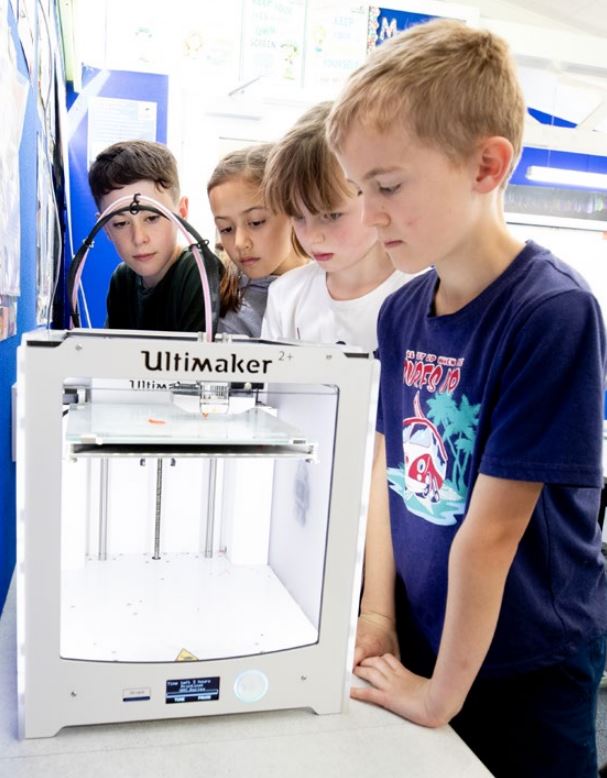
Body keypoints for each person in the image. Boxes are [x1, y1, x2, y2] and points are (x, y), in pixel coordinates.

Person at [326, 19, 607, 778]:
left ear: (485, 166)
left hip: (525, 660)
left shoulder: (550, 312)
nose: (368, 213)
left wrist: (437, 698)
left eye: (386, 186)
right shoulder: (400, 310)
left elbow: (490, 536)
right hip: (426, 632)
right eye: (360, 189)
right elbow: (388, 468)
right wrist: (376, 613)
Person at [261, 101, 412, 351]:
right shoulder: (285, 296)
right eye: (298, 217)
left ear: (378, 193)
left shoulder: (425, 295)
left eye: (331, 216)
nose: (312, 237)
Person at [88, 139, 223, 332]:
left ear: (182, 211)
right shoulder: (122, 280)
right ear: (105, 227)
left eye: (152, 218)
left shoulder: (200, 271)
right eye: (120, 223)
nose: (139, 238)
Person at [207, 144, 307, 337]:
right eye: (225, 229)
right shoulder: (222, 302)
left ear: (293, 209)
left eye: (256, 222)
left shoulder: (329, 283)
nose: (239, 243)